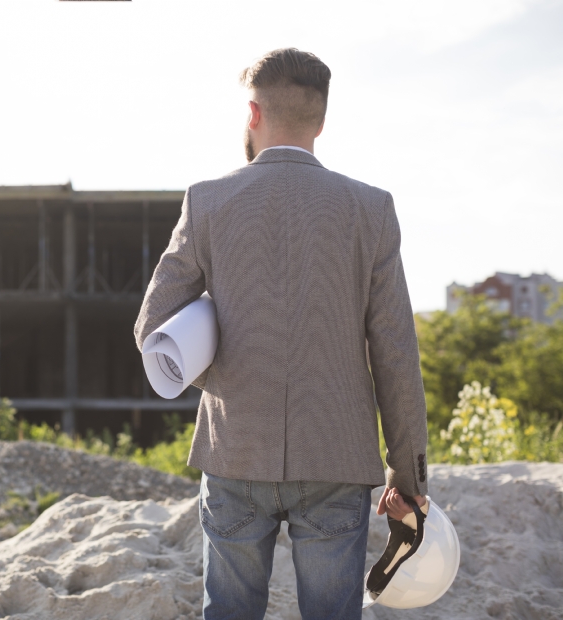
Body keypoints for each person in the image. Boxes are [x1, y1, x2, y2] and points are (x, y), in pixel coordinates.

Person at [133, 48, 428, 620]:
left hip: (234, 449)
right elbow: (395, 351)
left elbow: (153, 326)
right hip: (337, 455)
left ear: (252, 113)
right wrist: (407, 472)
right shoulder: (372, 209)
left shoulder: (207, 200)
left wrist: (227, 375)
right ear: (321, 120)